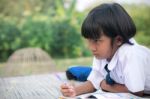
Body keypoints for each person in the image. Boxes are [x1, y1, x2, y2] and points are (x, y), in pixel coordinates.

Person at [60, 3, 150, 97]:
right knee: (88, 73)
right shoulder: (103, 53)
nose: (91, 47)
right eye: (89, 40)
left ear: (118, 40)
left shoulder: (131, 54)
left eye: (96, 41)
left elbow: (136, 92)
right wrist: (74, 91)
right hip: (117, 79)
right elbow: (95, 81)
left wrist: (105, 85)